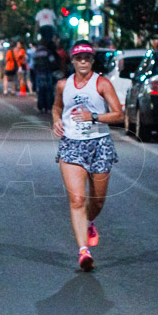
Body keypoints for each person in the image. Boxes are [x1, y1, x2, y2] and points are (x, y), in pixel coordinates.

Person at [52, 40, 124, 272]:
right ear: (72, 60)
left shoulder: (101, 83)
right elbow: (56, 107)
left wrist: (93, 116)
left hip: (99, 144)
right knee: (77, 200)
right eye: (79, 58)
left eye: (87, 58)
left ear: (92, 60)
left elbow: (118, 115)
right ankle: (84, 251)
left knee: (98, 200)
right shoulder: (63, 85)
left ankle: (89, 222)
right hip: (72, 144)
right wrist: (56, 120)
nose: (83, 62)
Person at [33, 38, 60, 115]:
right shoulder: (48, 52)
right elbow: (53, 61)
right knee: (48, 90)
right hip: (47, 73)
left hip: (39, 74)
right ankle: (48, 107)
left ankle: (41, 107)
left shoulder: (36, 52)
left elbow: (34, 64)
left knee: (40, 90)